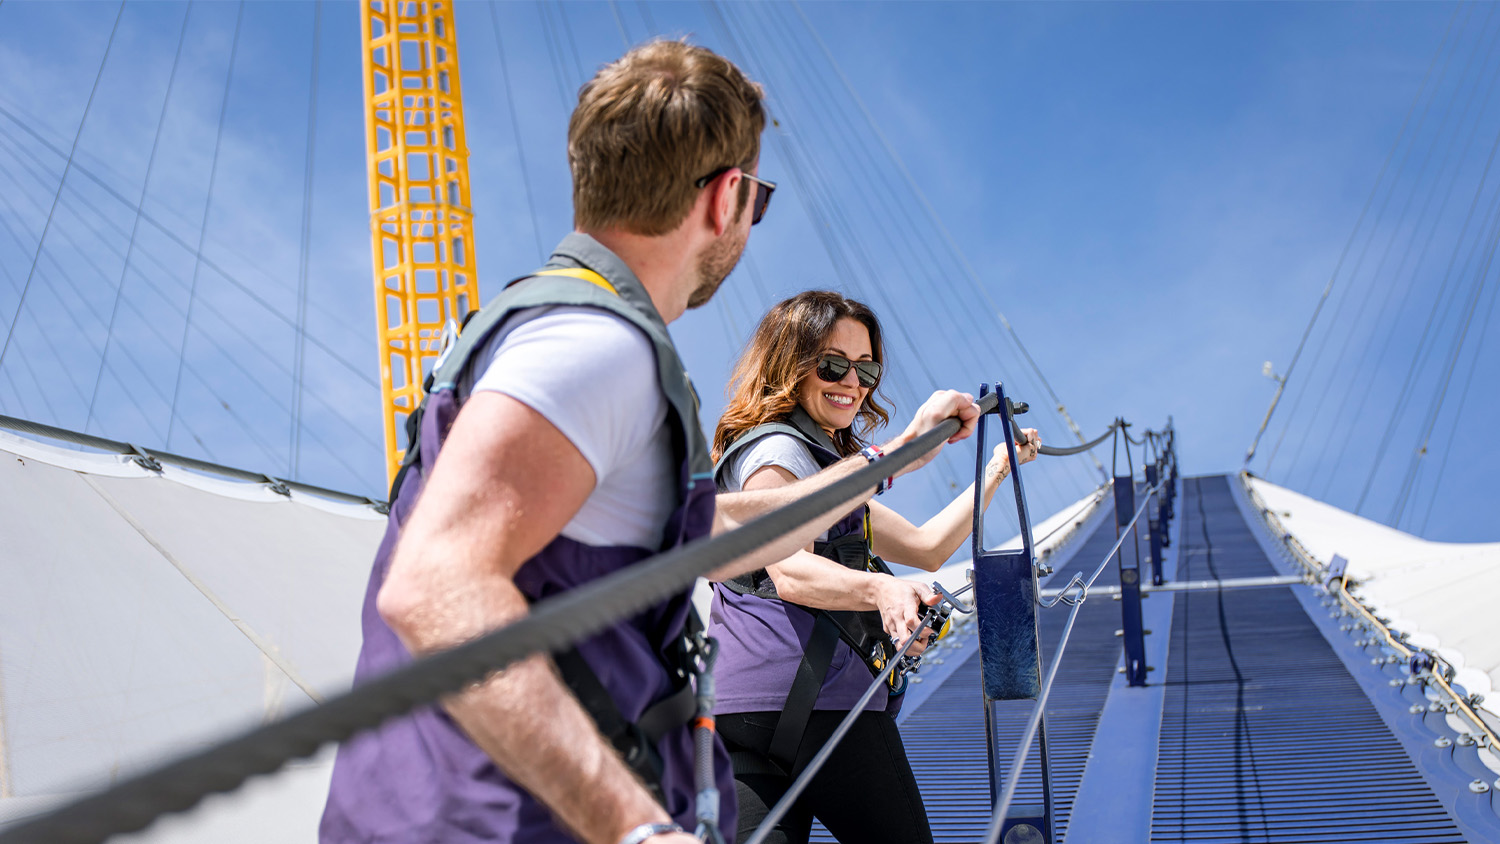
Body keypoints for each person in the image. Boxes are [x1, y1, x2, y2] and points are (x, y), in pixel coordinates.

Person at [320, 42, 984, 844]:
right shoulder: (596, 348)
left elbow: (731, 526)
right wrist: (635, 825)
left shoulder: (575, 339)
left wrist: (901, 448)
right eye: (757, 199)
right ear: (726, 199)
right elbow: (435, 589)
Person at [707, 291, 1040, 844]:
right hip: (823, 705)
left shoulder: (827, 477)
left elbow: (927, 545)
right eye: (833, 363)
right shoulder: (777, 451)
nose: (852, 382)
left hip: (737, 715)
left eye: (866, 368)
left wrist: (999, 467)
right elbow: (788, 569)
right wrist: (882, 591)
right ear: (790, 365)